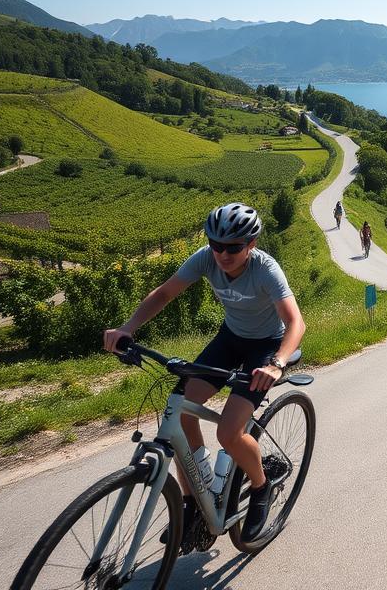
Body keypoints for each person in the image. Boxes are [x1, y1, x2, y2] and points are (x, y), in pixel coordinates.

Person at [103, 202, 306, 543]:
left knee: (229, 433)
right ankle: (193, 499)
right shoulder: (205, 258)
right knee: (180, 409)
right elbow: (165, 293)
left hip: (264, 347)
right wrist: (128, 327)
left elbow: (295, 322)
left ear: (251, 245)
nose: (222, 253)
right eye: (215, 244)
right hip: (229, 339)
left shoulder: (266, 270)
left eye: (233, 247)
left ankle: (261, 486)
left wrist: (277, 363)